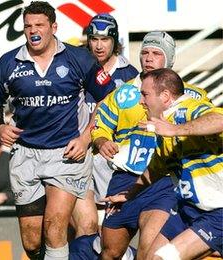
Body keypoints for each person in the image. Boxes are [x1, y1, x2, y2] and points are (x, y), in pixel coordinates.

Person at [0, 2, 113, 259]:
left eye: (39, 25)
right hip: (25, 155)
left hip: (66, 154)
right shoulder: (9, 63)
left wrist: (86, 137)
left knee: (54, 227)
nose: (33, 31)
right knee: (31, 241)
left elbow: (108, 99)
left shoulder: (79, 59)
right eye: (28, 26)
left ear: (53, 27)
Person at [92, 31, 210, 260]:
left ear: (169, 59)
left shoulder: (192, 96)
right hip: (125, 179)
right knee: (110, 252)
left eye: (156, 53)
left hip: (164, 180)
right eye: (144, 52)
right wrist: (102, 140)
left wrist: (176, 130)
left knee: (149, 250)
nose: (148, 58)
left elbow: (209, 125)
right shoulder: (123, 93)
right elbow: (100, 123)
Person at [105, 68, 222, 260]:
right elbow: (155, 170)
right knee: (149, 257)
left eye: (145, 94)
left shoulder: (187, 109)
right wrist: (130, 195)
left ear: (165, 96)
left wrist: (175, 129)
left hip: (217, 213)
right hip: (188, 210)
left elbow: (220, 119)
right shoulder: (164, 126)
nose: (141, 101)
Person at [73, 14, 139, 239]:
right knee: (83, 227)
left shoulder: (130, 75)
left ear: (115, 41)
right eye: (94, 39)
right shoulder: (78, 65)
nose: (99, 46)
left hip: (111, 157)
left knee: (109, 232)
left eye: (105, 39)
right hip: (79, 153)